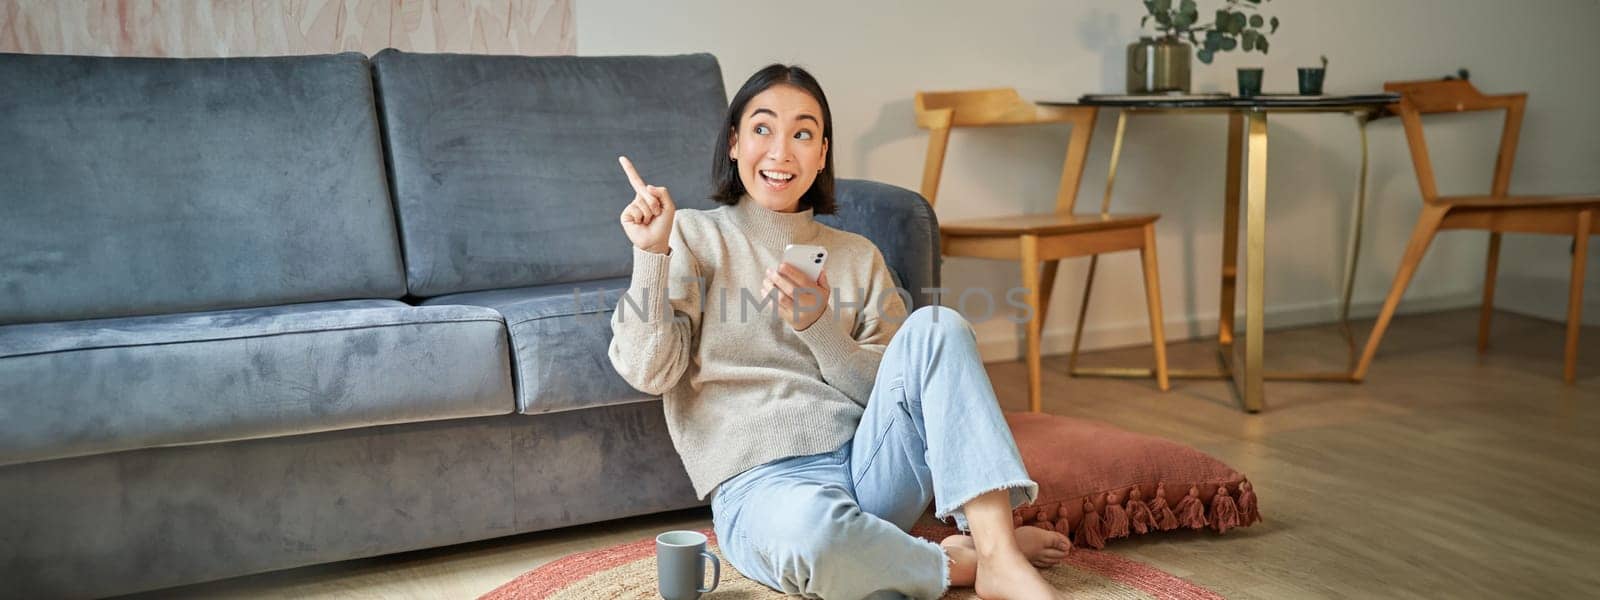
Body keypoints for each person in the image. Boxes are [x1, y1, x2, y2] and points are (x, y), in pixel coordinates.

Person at [609, 63, 1069, 600]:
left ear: (822, 153)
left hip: (868, 466)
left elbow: (904, 394)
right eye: (762, 129)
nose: (781, 152)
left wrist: (819, 327)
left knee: (938, 325)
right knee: (819, 536)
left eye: (802, 134)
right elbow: (649, 371)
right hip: (762, 489)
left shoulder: (858, 255)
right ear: (734, 143)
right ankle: (952, 563)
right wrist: (651, 255)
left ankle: (998, 554)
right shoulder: (691, 235)